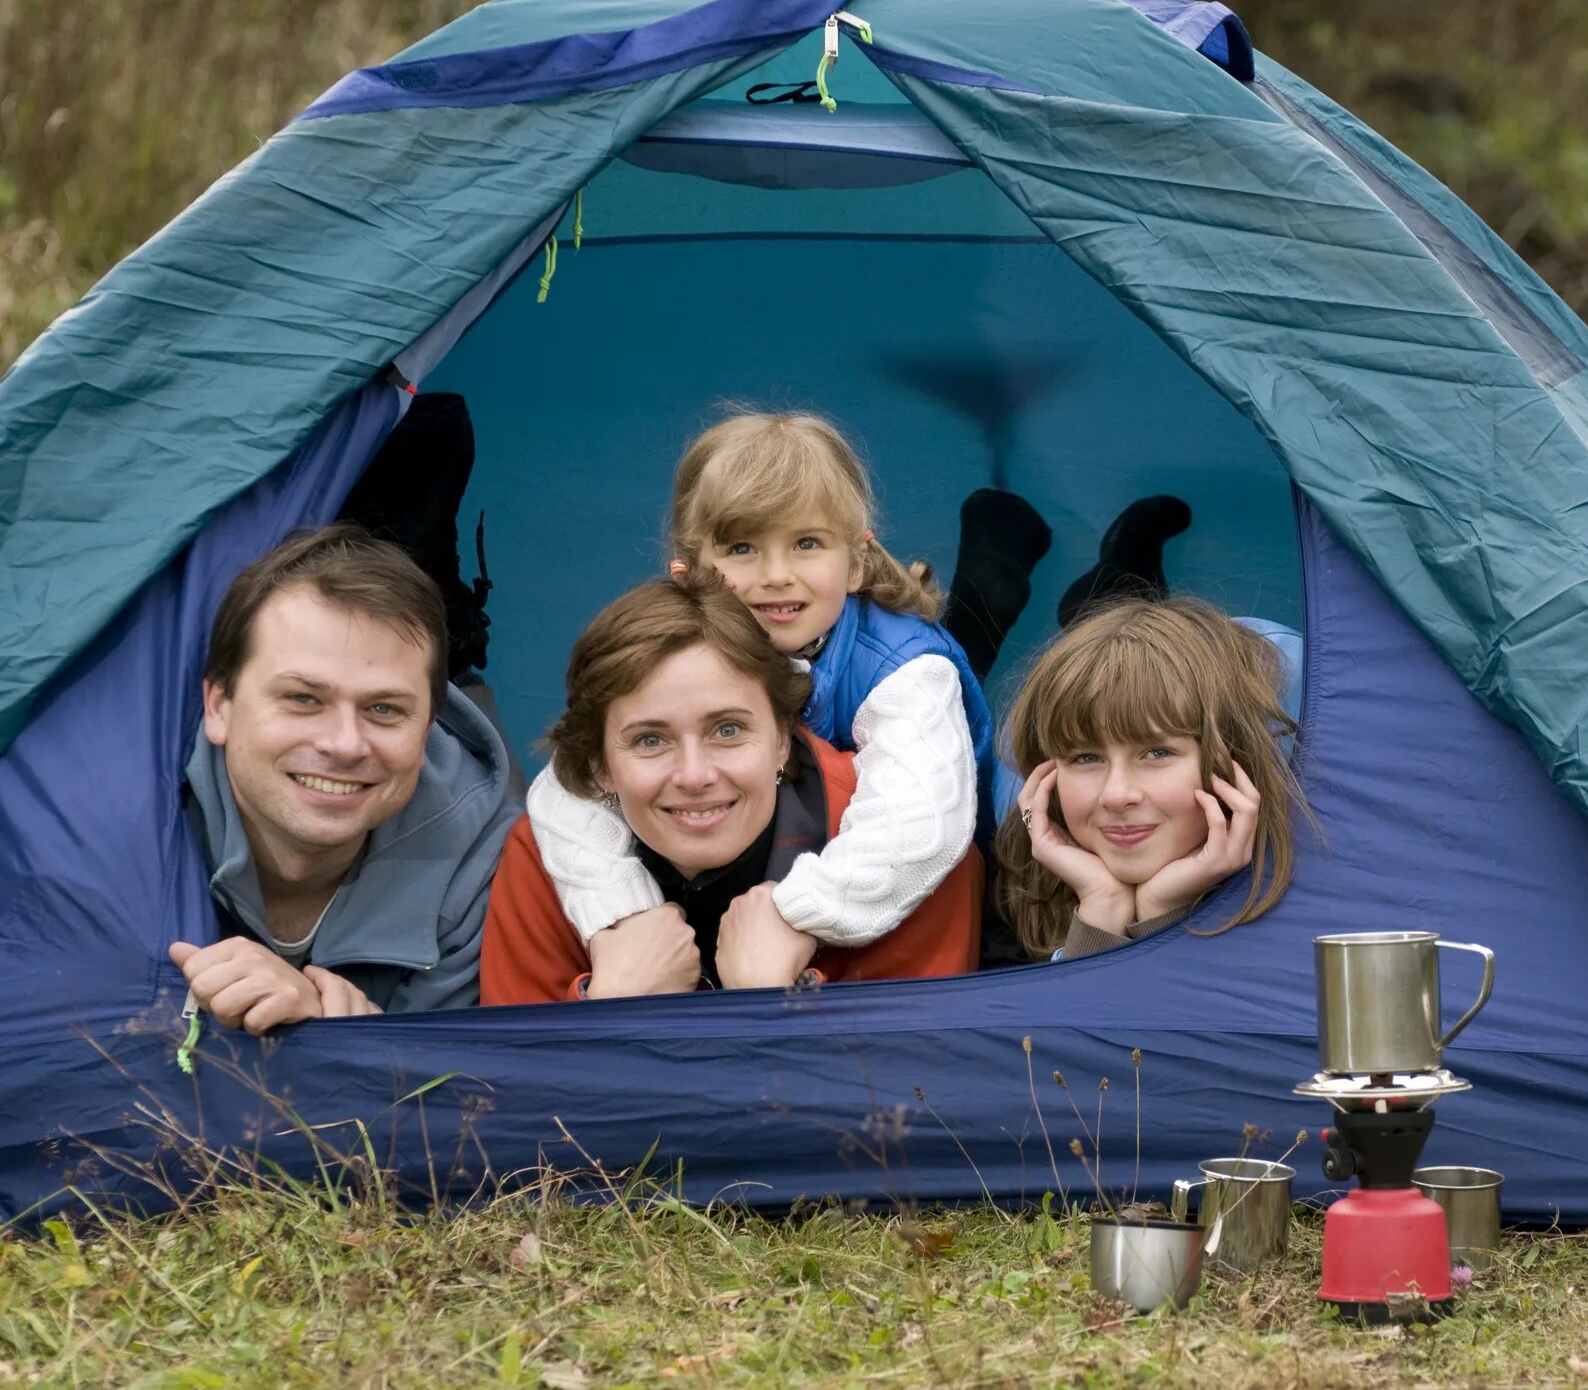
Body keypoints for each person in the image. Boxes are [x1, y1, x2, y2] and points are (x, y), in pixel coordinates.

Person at [523, 410, 993, 962]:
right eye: (742, 548)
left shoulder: (906, 671)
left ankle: (993, 577)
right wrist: (624, 919)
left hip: (944, 889)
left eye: (807, 543)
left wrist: (793, 912)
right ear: (688, 572)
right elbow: (568, 787)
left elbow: (919, 828)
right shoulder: (675, 649)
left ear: (857, 564)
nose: (775, 574)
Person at [480, 576, 982, 1002]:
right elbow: (507, 1096)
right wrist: (610, 1002)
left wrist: (778, 1000)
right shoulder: (543, 857)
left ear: (783, 739)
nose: (695, 776)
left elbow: (919, 1099)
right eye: (650, 740)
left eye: (727, 730)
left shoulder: (908, 850)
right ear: (601, 767)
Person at [170, 526, 520, 1033]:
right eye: (303, 699)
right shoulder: (133, 817)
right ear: (219, 706)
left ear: (426, 730)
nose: (345, 744)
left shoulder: (488, 864)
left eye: (383, 709)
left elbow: (456, 1092)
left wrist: (345, 1040)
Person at [994, 598, 1306, 959]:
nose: (1115, 795)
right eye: (1086, 758)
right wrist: (1102, 911)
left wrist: (1162, 912)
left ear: (1234, 763)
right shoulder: (1015, 895)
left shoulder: (1311, 912)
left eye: (1157, 753)